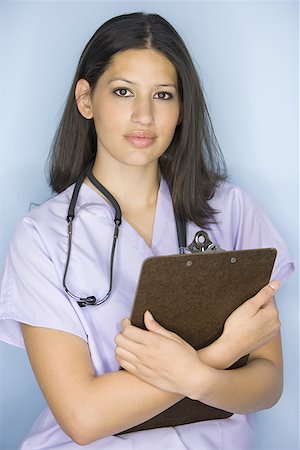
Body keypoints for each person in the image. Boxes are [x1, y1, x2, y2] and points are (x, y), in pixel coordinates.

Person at [0, 12, 294, 450]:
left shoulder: (231, 211)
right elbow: (82, 417)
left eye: (162, 95)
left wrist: (197, 372)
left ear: (181, 108)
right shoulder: (42, 238)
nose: (143, 115)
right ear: (86, 99)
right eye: (122, 92)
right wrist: (212, 361)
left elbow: (268, 384)